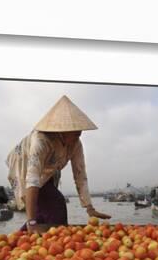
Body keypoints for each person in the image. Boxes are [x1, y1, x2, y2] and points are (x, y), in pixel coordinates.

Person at [6, 95, 111, 233]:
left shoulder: (75, 144)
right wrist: (31, 222)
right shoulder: (41, 140)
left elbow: (80, 174)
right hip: (24, 166)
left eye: (79, 131)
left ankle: (29, 236)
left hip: (48, 170)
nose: (78, 134)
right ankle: (37, 233)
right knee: (55, 203)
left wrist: (89, 207)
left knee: (45, 209)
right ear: (62, 130)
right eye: (74, 132)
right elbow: (32, 179)